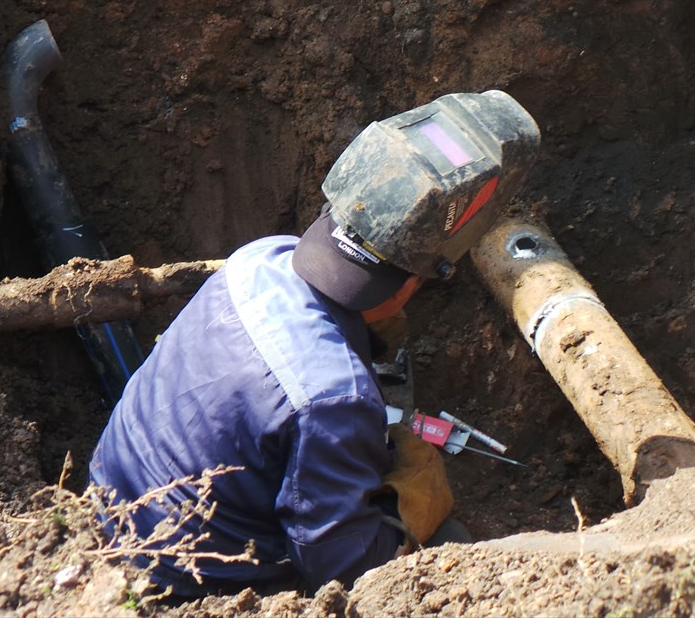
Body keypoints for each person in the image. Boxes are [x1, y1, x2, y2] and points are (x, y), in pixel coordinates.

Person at [88, 90, 540, 596]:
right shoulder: (333, 396)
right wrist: (412, 502)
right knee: (450, 557)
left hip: (107, 497)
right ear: (414, 281)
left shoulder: (258, 259)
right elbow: (347, 569)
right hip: (180, 578)